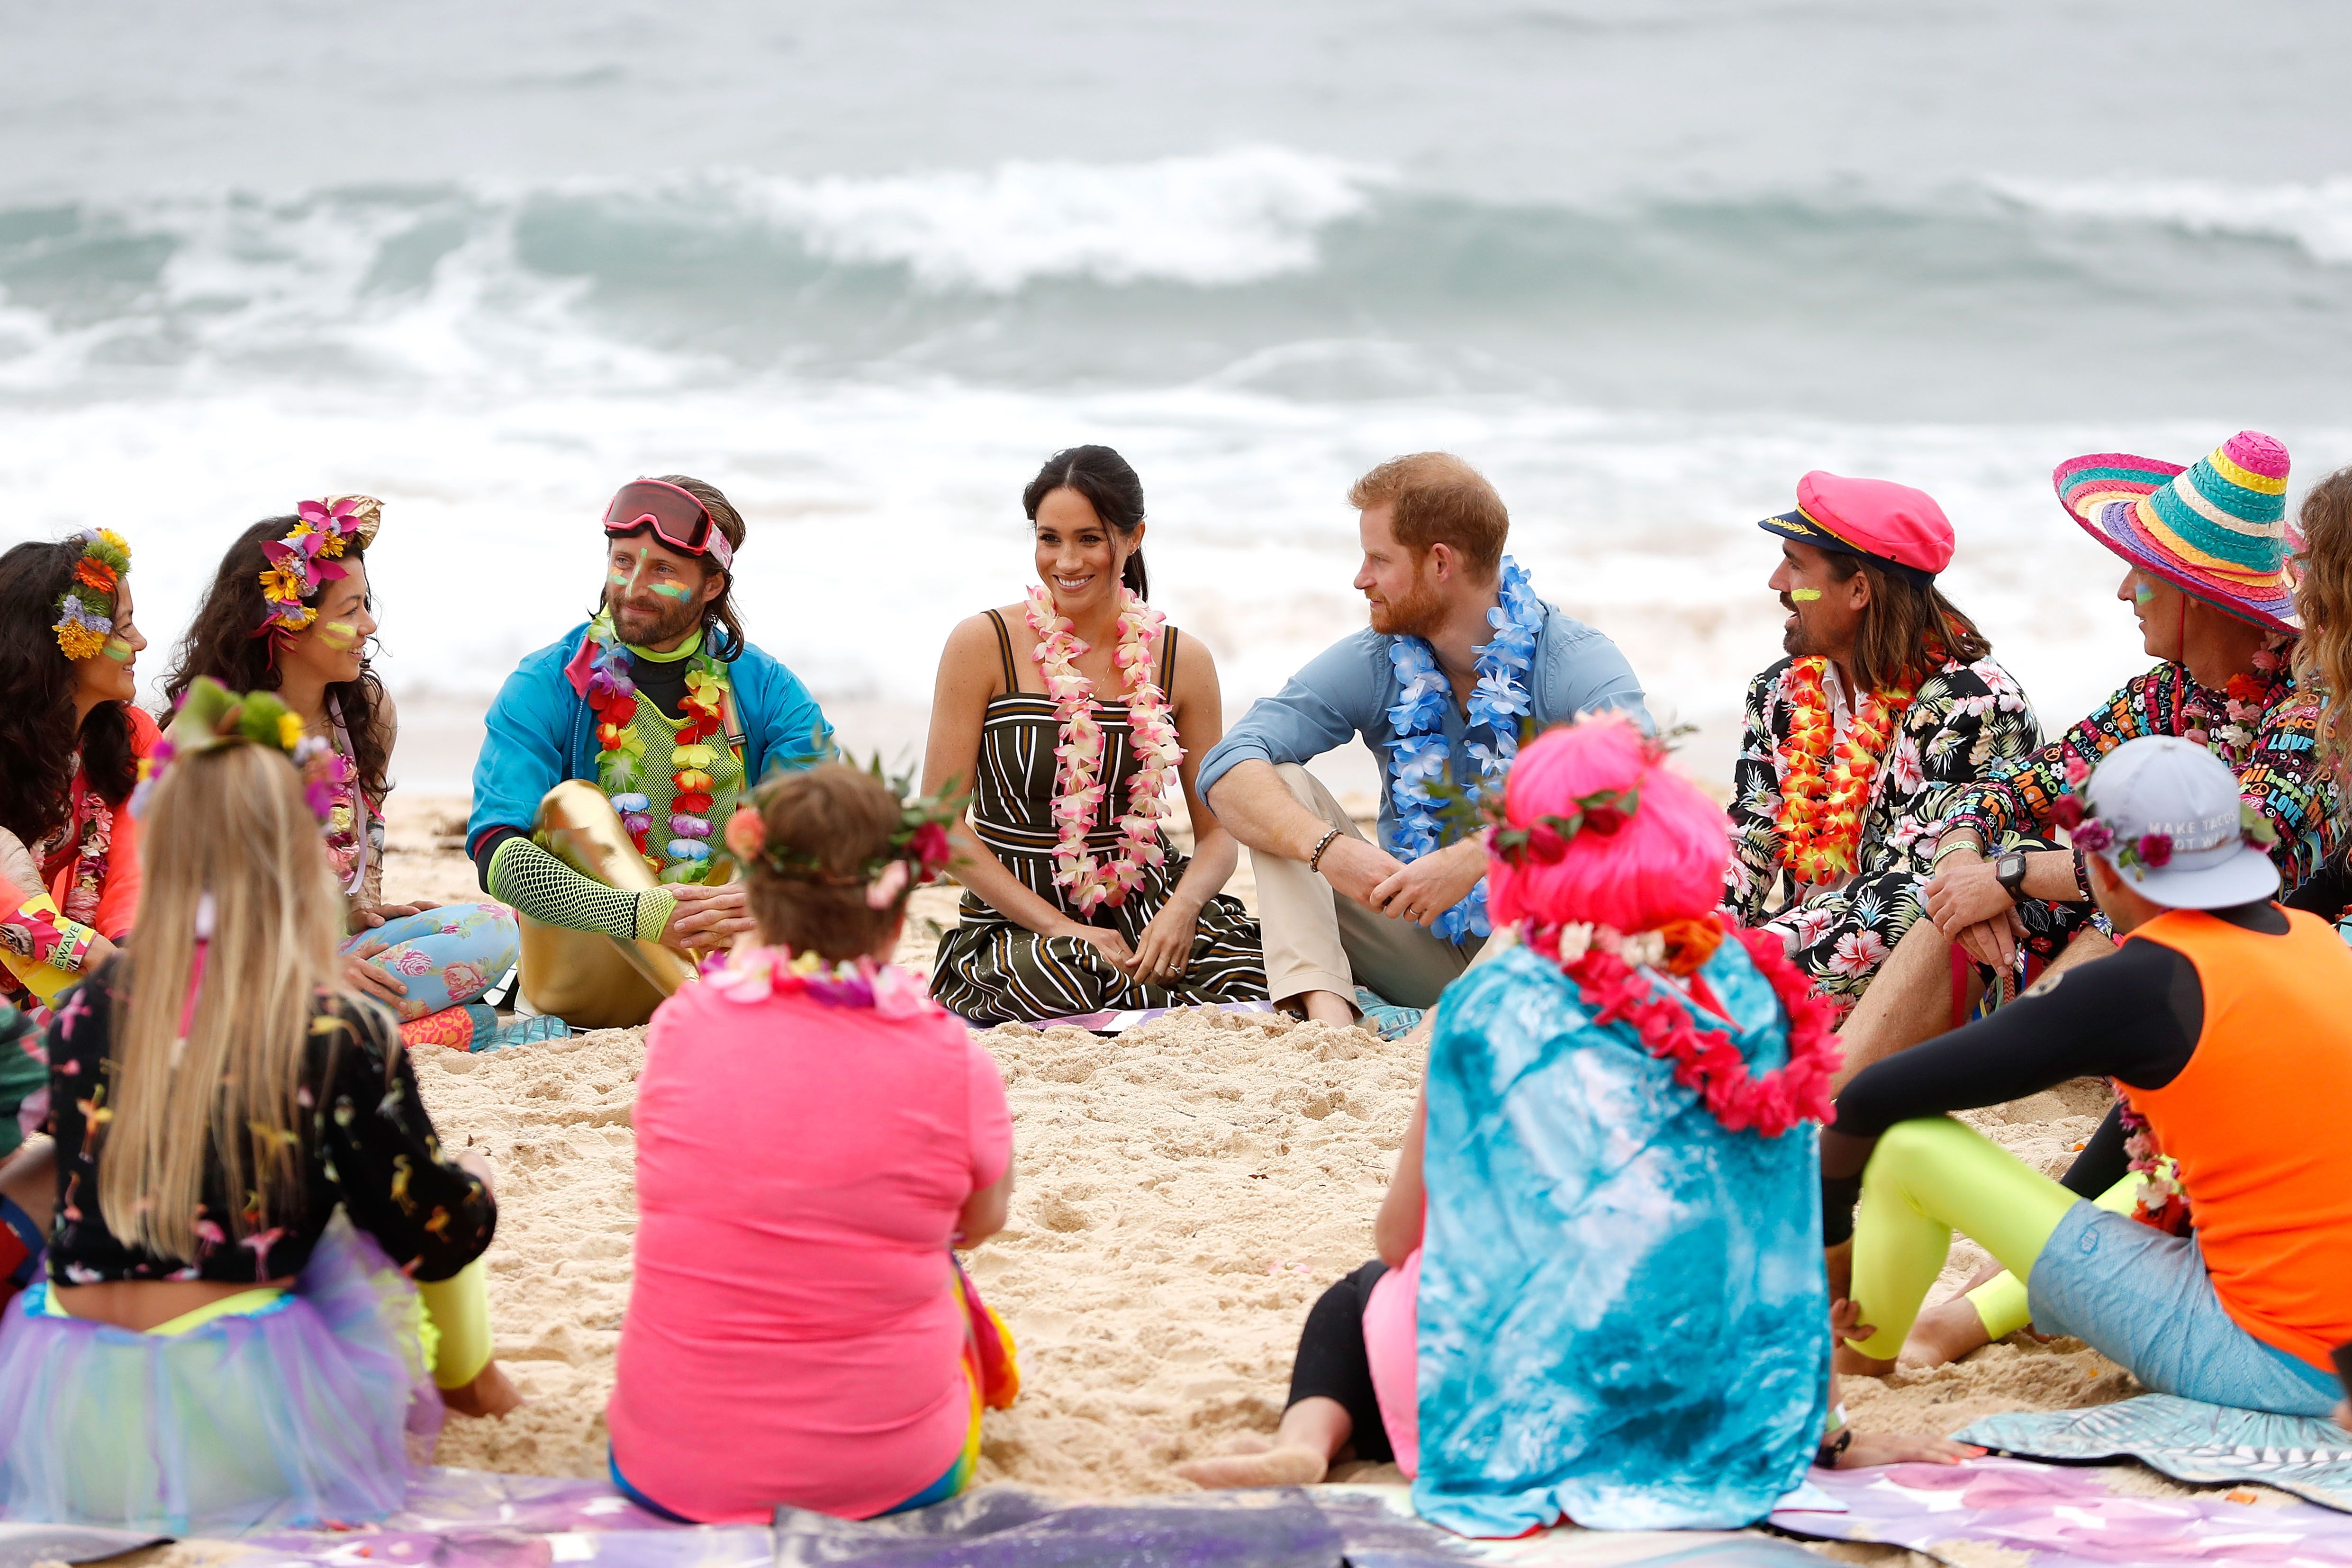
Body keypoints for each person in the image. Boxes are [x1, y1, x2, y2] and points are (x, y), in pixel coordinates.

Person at [1177, 716, 1970, 1532]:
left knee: (1356, 1299)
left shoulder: (1491, 1004)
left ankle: (1308, 1442)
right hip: (1705, 1403)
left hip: (1539, 1403)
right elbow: (1777, 1242)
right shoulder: (1744, 991)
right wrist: (1824, 1437)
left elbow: (1399, 1238)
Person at [0, 681, 507, 1534]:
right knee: (447, 1183)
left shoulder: (90, 1007)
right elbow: (427, 1223)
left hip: (67, 1407)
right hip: (237, 1413)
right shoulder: (337, 1025)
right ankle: (474, 1381)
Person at [1824, 736, 2352, 1420]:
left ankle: (1860, 1358)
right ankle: (1953, 1325)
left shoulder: (2145, 981)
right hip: (2333, 1339)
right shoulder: (2310, 938)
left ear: (2103, 868)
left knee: (1907, 1147)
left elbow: (1871, 1097)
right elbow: (2147, 1135)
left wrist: (1836, 1248)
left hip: (2275, 1364)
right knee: (2174, 1168)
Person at [1835, 432, 2341, 1082]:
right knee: (1966, 895)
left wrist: (2012, 872)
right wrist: (1966, 855)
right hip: (2155, 948)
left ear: (2198, 595)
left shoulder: (2312, 707)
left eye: (2146, 574)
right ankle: (1834, 1091)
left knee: (2091, 894)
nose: (2125, 590)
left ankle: (1975, 1082)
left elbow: (2208, 852)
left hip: (2267, 968)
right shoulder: (2167, 692)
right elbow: (2018, 783)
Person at [606, 761, 1018, 1522]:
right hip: (892, 1476)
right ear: (897, 920)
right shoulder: (952, 1055)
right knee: (946, 1275)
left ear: (752, 901)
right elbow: (982, 1220)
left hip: (666, 1467)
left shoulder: (681, 1026)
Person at [1200, 453, 1649, 1033]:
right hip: (1411, 937)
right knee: (1277, 784)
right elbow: (1227, 765)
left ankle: (1453, 1027)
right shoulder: (1378, 657)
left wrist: (1477, 856)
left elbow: (1640, 786)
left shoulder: (1574, 662)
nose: (1360, 578)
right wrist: (1330, 850)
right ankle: (1326, 1018)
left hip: (1538, 952)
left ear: (1440, 562)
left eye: (1378, 559)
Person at [466, 476, 832, 1028]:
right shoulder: (546, 681)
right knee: (574, 806)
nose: (633, 587)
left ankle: (710, 995)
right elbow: (497, 858)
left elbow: (835, 830)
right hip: (586, 971)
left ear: (711, 586)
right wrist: (642, 913)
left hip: (726, 948)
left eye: (662, 570)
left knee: (791, 819)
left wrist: (756, 893)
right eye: (622, 561)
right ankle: (708, 1006)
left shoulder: (765, 686)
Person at [163, 498, 525, 1052]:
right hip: (239, 972)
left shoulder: (367, 711)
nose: (369, 625)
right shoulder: (206, 736)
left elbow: (366, 839)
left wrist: (364, 913)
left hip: (330, 948)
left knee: (493, 928)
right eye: (350, 610)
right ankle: (407, 1030)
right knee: (473, 1018)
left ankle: (353, 1031)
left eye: (366, 605)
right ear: (287, 626)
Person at [925, 447, 1265, 1024]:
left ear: (1133, 538)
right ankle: (1126, 990)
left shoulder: (1183, 660)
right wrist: (1062, 926)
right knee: (1059, 976)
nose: (1065, 560)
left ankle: (1142, 987)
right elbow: (940, 827)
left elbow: (1217, 835)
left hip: (1145, 904)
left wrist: (1180, 911)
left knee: (1269, 965)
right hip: (1021, 921)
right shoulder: (982, 645)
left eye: (1089, 538)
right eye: (1048, 538)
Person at [1728, 473, 2052, 1046]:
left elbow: (1911, 899)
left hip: (1933, 988)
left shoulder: (1972, 704)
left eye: (1795, 566)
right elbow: (1749, 843)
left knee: (1909, 893)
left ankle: (1724, 1000)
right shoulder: (1777, 692)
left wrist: (1731, 965)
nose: (1776, 582)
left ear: (1858, 591)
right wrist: (1693, 938)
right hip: (1798, 959)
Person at [0, 530, 155, 1024]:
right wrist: (86, 952)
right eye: (122, 627)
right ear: (70, 641)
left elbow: (135, 860)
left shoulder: (131, 737)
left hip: (53, 973)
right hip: (57, 956)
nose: (140, 641)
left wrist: (125, 956)